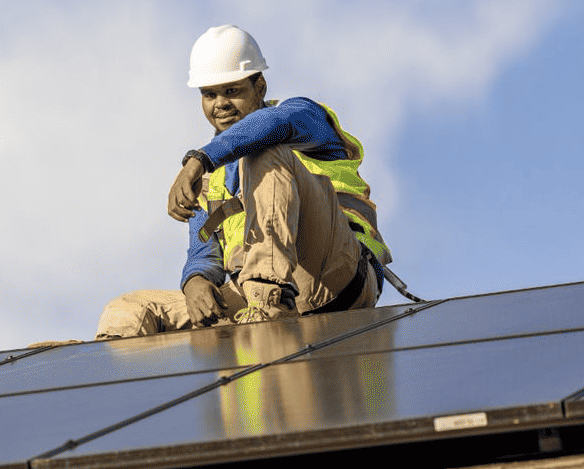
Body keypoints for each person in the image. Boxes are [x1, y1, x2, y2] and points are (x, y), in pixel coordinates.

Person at [95, 26, 391, 338]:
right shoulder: (210, 179)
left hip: (333, 276)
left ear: (259, 86)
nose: (219, 104)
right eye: (209, 95)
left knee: (263, 151)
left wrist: (198, 160)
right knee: (128, 309)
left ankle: (269, 295)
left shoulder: (301, 118)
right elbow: (204, 253)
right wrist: (196, 283)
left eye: (232, 91)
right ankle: (99, 376)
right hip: (253, 301)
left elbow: (271, 125)